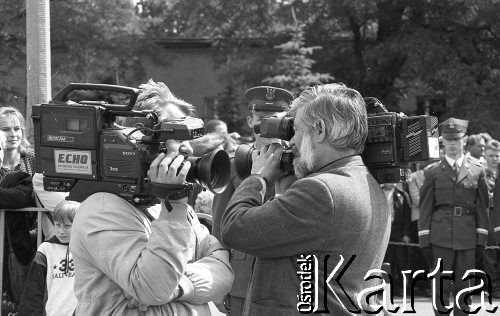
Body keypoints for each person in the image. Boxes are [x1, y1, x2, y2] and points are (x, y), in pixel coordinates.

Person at [221, 83, 390, 315]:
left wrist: (258, 178)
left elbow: (235, 229)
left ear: (319, 130)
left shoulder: (321, 190)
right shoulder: (366, 181)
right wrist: (284, 189)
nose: (290, 142)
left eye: (296, 130)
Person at [69, 80, 233, 315]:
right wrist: (174, 205)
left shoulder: (171, 207)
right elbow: (152, 289)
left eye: (189, 138)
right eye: (177, 135)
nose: (187, 148)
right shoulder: (102, 208)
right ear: (140, 140)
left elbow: (223, 269)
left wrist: (180, 287)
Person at [211, 85, 294, 315]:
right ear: (249, 120)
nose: (266, 126)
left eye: (275, 119)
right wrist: (219, 282)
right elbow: (219, 228)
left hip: (285, 277)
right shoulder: (234, 164)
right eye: (260, 119)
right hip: (241, 278)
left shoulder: (299, 162)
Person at [418, 118, 489, 315]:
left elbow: (482, 209)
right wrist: (424, 241)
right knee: (441, 290)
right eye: (448, 141)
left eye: (456, 140)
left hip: (467, 239)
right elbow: (425, 209)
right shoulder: (432, 172)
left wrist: (481, 240)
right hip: (440, 238)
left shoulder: (477, 170)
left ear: (464, 140)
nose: (452, 145)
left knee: (465, 289)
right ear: (443, 142)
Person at [0, 107, 37, 308]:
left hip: (29, 236)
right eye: (5, 129)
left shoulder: (32, 159)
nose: (13, 134)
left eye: (17, 128)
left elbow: (27, 197)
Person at [18, 200, 80, 316]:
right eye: (57, 225)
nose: (61, 231)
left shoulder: (89, 251)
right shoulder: (46, 249)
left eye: (67, 226)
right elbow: (33, 289)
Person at [382, 182, 411, 296]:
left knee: (401, 261)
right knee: (387, 261)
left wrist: (406, 234)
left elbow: (407, 215)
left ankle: (403, 288)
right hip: (384, 231)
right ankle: (388, 290)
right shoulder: (378, 192)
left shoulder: (402, 195)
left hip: (399, 231)